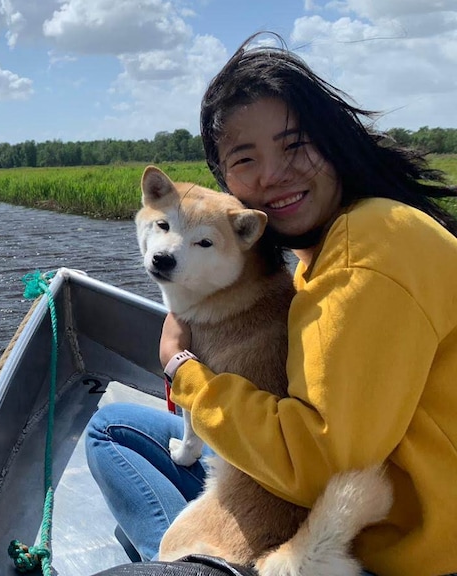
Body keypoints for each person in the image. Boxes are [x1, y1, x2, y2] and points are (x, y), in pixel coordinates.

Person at [85, 32, 457, 576]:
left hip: (394, 550)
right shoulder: (326, 248)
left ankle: (193, 558)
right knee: (113, 426)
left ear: (333, 142)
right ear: (226, 181)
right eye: (245, 157)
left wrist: (181, 370)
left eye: (294, 144)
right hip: (365, 508)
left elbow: (321, 471)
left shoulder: (368, 249)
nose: (272, 174)